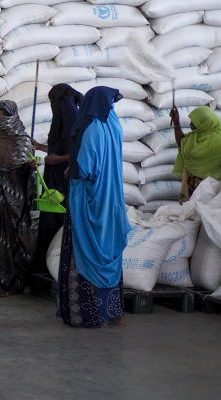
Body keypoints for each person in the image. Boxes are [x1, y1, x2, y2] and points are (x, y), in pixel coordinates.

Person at [57, 87, 130, 329]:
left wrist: (72, 170)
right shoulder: (114, 125)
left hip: (90, 201)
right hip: (112, 201)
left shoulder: (91, 128)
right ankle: (114, 313)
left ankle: (89, 315)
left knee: (84, 252)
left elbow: (85, 168)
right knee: (110, 253)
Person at [0, 100, 36, 297]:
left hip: (13, 201)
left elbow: (28, 176)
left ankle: (12, 281)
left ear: (13, 116)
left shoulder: (23, 141)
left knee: (13, 237)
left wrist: (30, 170)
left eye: (4, 115)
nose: (0, 120)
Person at [32, 84, 82, 270]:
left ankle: (56, 263)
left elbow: (80, 152)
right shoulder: (62, 120)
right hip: (54, 178)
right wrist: (39, 147)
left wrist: (57, 159)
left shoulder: (74, 119)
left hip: (65, 179)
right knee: (50, 218)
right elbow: (58, 147)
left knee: (59, 219)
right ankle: (45, 264)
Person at [171, 105, 221, 203]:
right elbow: (181, 143)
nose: (190, 123)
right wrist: (176, 122)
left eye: (194, 121)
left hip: (211, 190)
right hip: (192, 189)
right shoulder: (193, 138)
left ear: (203, 123)